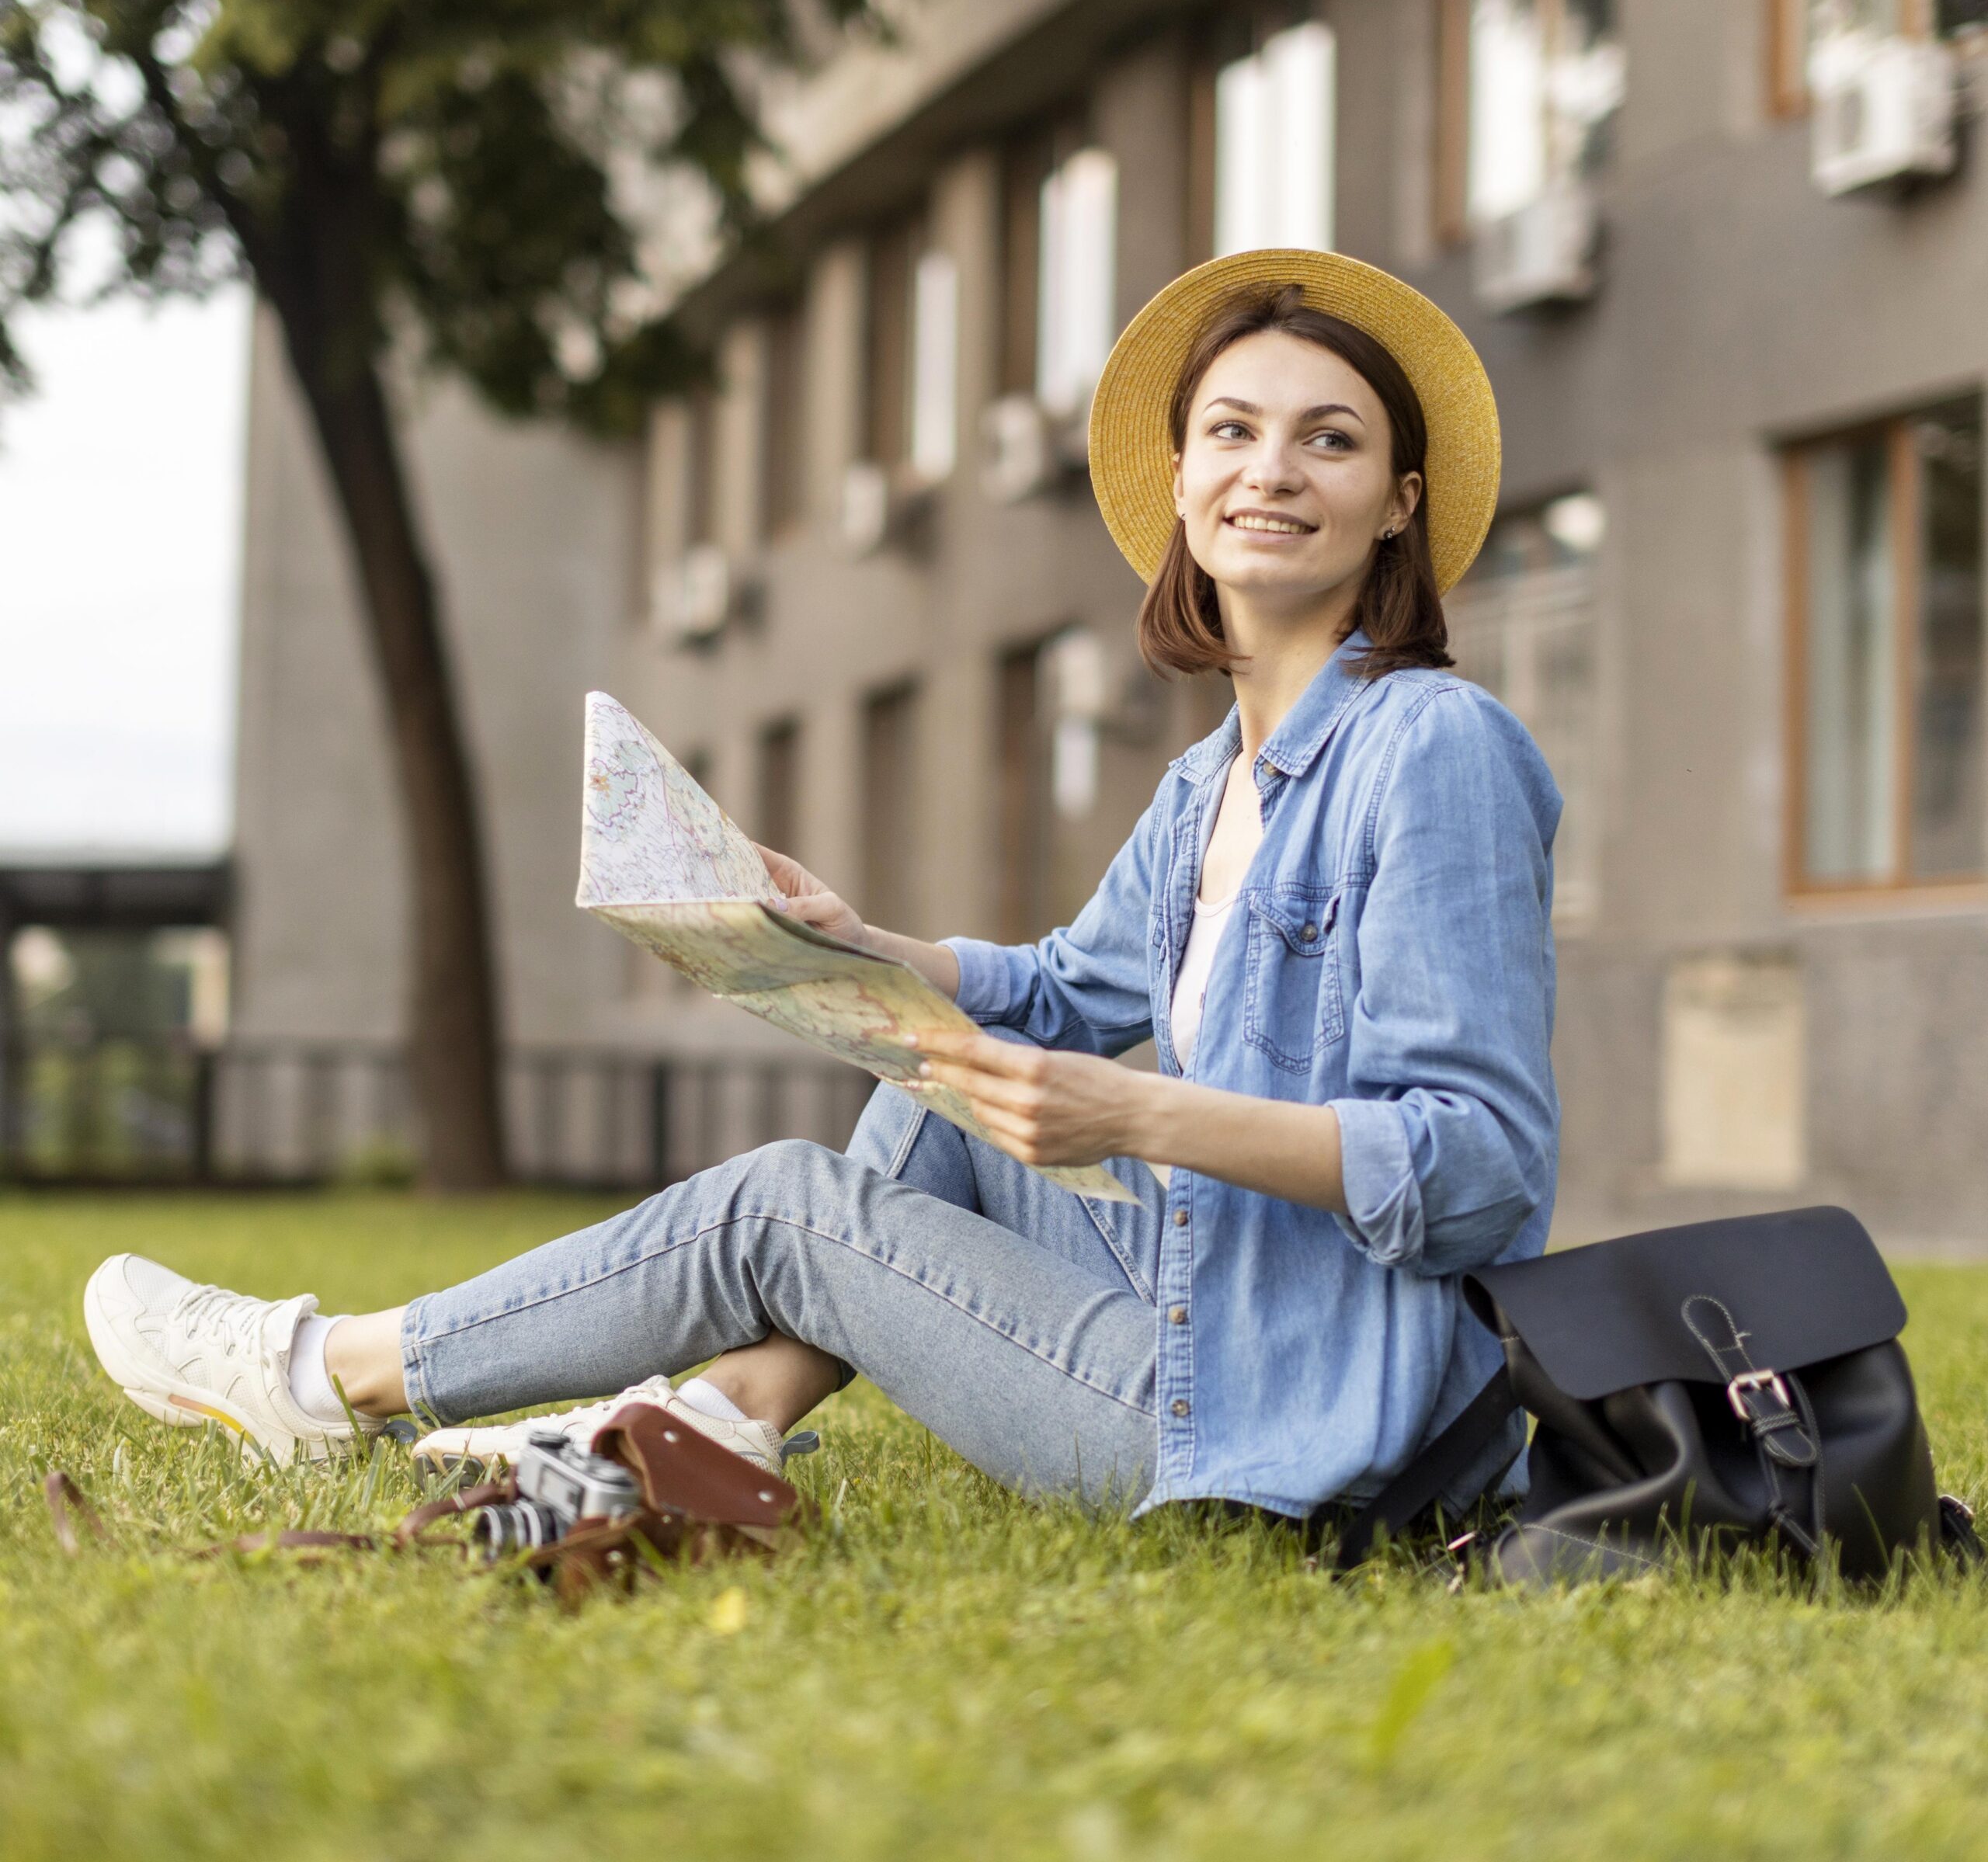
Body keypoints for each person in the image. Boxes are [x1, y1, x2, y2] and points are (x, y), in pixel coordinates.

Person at [82, 249, 1560, 1526]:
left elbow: (1479, 1165)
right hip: (1207, 1309)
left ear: (1395, 504)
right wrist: (855, 942)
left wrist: (1137, 1114)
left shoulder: (1435, 749)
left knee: (786, 1208)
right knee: (940, 1079)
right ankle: (713, 1431)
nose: (1274, 472)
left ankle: (322, 1376)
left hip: (1302, 1418)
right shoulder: (1209, 782)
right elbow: (1066, 988)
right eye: (1233, 431)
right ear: (1180, 483)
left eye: (1330, 442)